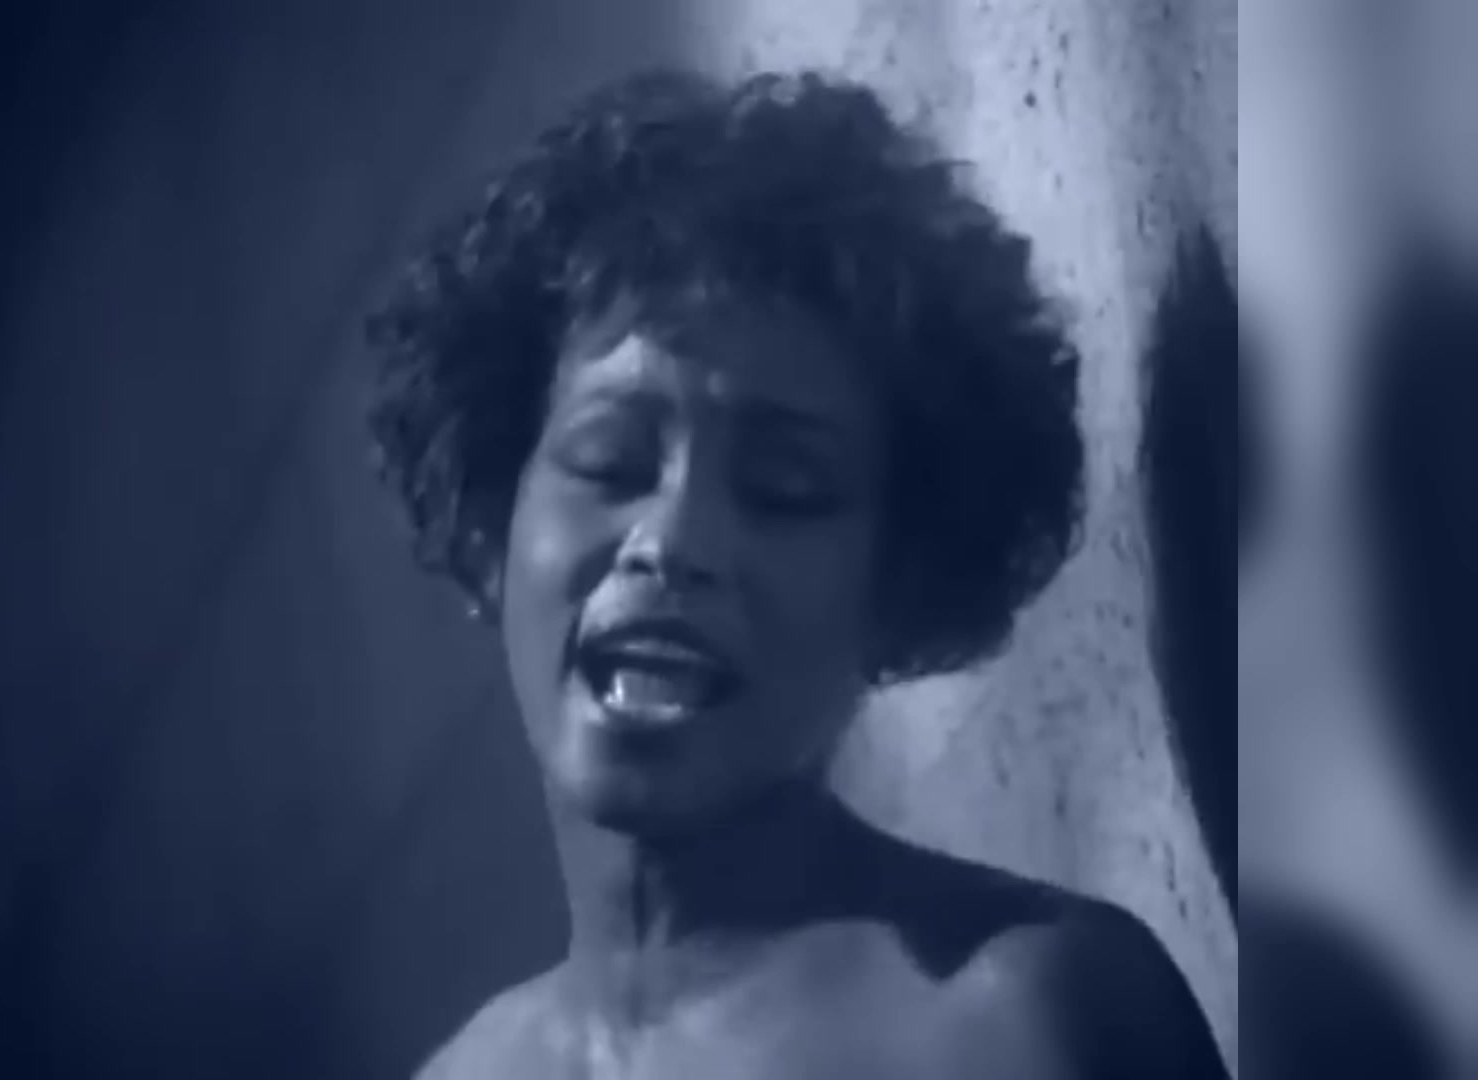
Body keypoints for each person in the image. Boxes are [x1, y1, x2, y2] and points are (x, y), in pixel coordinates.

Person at [363, 69, 1227, 1080]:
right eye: (609, 463)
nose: (673, 540)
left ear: (900, 584)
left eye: (785, 490)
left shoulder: (1029, 1011)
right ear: (493, 529)